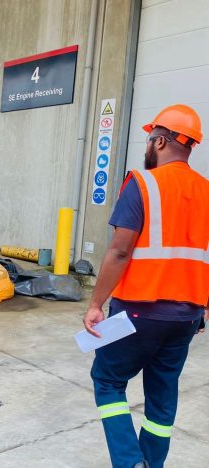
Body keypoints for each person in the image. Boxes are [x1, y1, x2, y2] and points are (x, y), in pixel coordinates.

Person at [83, 104, 209, 468]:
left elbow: (120, 251)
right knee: (162, 396)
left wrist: (95, 304)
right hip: (186, 317)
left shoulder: (142, 183)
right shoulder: (206, 191)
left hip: (137, 311)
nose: (148, 145)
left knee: (107, 379)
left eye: (150, 138)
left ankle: (129, 462)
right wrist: (203, 307)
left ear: (160, 140)